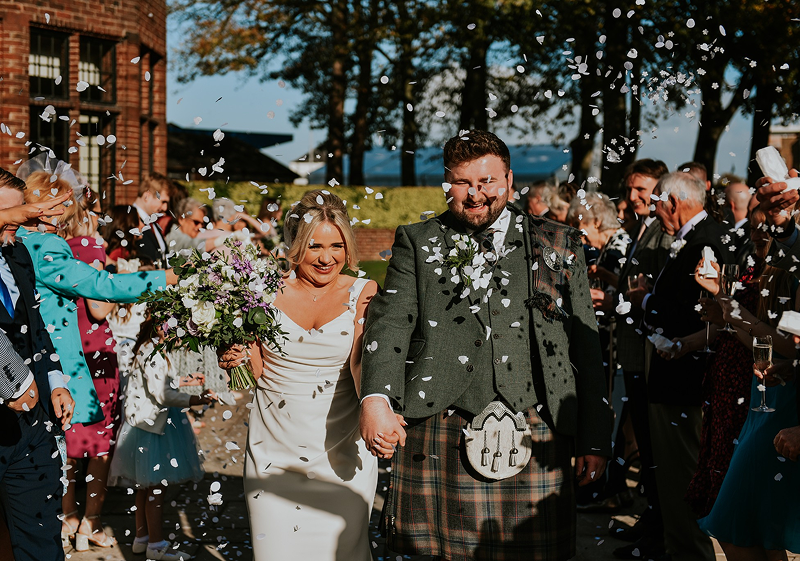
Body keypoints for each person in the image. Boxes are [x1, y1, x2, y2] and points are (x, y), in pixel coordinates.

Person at [358, 130, 611, 561]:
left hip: (538, 424)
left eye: (488, 181)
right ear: (446, 184)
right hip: (439, 420)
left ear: (510, 181)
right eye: (462, 183)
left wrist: (594, 437)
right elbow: (392, 321)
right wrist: (376, 398)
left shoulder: (558, 243)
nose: (476, 195)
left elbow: (583, 345)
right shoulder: (418, 241)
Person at [217, 190, 380, 560]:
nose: (327, 258)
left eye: (337, 246)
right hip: (274, 449)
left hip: (340, 449)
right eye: (314, 247)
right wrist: (232, 353)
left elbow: (361, 366)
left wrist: (379, 410)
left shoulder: (364, 292)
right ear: (294, 245)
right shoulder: (262, 293)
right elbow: (256, 371)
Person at [627, 171, 732, 561]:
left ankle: (690, 554)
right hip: (675, 372)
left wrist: (645, 301)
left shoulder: (705, 242)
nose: (656, 212)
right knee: (672, 478)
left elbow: (701, 312)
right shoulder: (695, 238)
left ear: (673, 202)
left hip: (686, 378)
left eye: (658, 203)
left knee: (680, 478)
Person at [0, 167, 74, 561]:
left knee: (42, 541)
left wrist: (55, 380)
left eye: (23, 212)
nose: (20, 222)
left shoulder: (19, 253)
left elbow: (35, 325)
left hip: (30, 427)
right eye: (10, 216)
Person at [108, 315, 214, 561]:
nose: (173, 329)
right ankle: (155, 545)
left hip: (144, 423)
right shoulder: (154, 352)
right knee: (157, 487)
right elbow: (162, 394)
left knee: (143, 487)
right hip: (152, 427)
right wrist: (196, 399)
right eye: (168, 324)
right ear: (154, 323)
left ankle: (141, 538)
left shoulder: (150, 347)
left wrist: (185, 381)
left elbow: (159, 381)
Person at [609, 158, 671, 557]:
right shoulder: (639, 229)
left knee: (654, 446)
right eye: (630, 189)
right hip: (631, 351)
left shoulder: (664, 237)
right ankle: (652, 518)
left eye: (642, 190)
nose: (633, 197)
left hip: (649, 353)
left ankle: (660, 528)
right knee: (646, 445)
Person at [132, 173, 171, 267]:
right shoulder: (130, 221)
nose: (165, 208)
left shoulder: (153, 223)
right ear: (147, 196)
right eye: (163, 202)